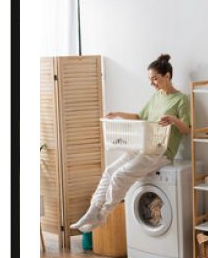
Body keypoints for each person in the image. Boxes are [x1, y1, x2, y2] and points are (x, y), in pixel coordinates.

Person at [70, 54, 190, 233]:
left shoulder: (180, 99)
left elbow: (187, 129)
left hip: (162, 152)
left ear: (167, 76)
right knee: (110, 171)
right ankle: (91, 211)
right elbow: (139, 116)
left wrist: (173, 119)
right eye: (150, 80)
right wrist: (118, 114)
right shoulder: (156, 97)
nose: (152, 83)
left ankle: (102, 215)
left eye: (155, 79)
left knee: (120, 175)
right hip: (144, 146)